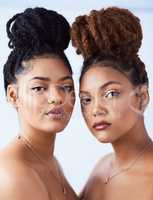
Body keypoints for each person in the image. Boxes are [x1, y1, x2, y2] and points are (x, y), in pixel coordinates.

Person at [71, 7, 153, 200]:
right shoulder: (102, 168)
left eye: (110, 93)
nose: (96, 110)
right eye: (86, 99)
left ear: (141, 97)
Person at [0, 7, 78, 200]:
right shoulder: (15, 175)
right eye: (39, 88)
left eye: (66, 86)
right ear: (13, 95)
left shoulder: (48, 161)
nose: (57, 97)